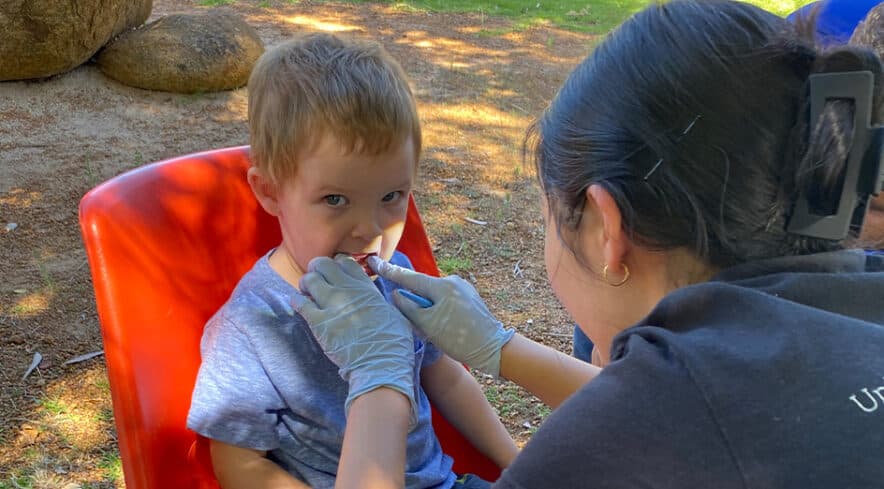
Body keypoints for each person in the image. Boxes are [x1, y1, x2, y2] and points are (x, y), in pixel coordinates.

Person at [293, 1, 884, 488]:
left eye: (549, 210)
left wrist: (377, 382)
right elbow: (685, 413)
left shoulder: (594, 459)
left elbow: (657, 417)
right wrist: (500, 347)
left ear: (605, 226)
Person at [186, 33, 518, 489]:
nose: (370, 229)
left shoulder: (396, 276)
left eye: (391, 196)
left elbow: (448, 380)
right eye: (335, 199)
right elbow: (240, 464)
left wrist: (518, 467)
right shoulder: (253, 324)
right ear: (270, 191)